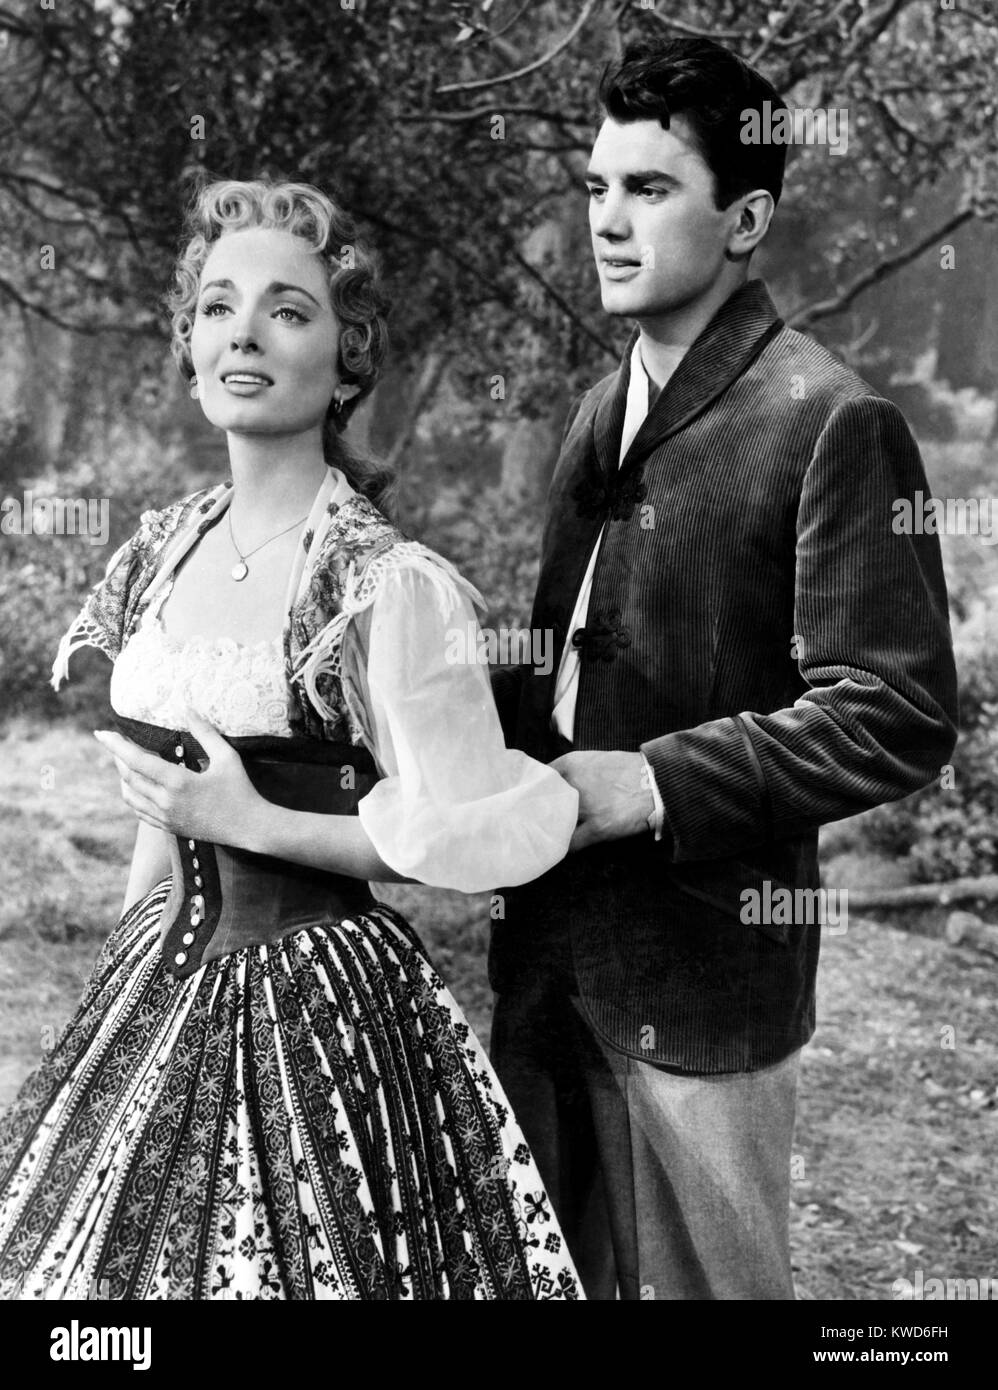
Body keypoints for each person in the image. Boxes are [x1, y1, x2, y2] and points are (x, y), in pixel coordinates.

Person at [0, 178, 583, 1302]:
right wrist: (126, 987)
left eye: (286, 308)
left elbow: (446, 837)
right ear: (188, 342)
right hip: (158, 978)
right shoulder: (160, 551)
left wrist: (252, 821)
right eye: (216, 308)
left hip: (316, 993)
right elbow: (158, 819)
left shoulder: (380, 582)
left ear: (344, 352)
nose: (243, 335)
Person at [489, 37, 959, 1301]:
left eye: (648, 190)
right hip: (546, 961)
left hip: (702, 985)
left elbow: (896, 710)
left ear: (745, 216)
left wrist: (647, 783)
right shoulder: (602, 409)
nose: (605, 219)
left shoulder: (829, 417)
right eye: (595, 187)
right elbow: (561, 669)